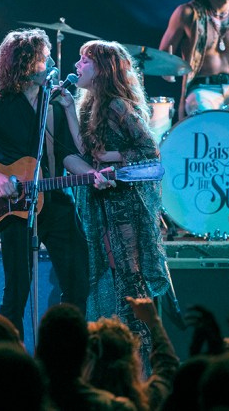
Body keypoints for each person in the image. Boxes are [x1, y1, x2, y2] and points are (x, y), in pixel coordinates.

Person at [0, 28, 90, 338]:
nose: (51, 61)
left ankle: (64, 359)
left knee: (77, 283)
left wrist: (92, 174)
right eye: (43, 56)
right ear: (26, 64)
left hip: (57, 202)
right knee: (16, 295)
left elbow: (66, 156)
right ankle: (8, 366)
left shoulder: (55, 103)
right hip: (16, 209)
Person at [59, 40, 170, 370]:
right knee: (105, 272)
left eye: (85, 60)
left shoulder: (118, 106)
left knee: (130, 276)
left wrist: (114, 157)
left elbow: (150, 151)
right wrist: (66, 108)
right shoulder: (86, 106)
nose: (78, 65)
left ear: (103, 69)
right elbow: (84, 149)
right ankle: (120, 357)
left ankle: (146, 359)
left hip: (126, 204)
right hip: (100, 201)